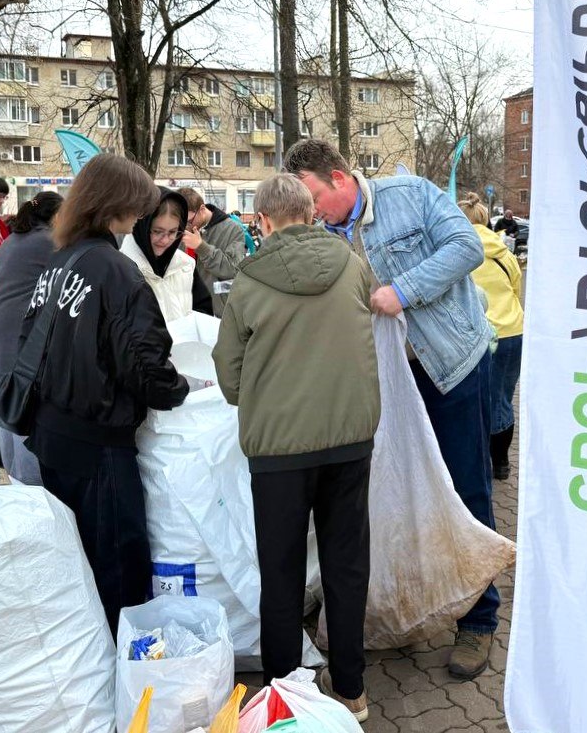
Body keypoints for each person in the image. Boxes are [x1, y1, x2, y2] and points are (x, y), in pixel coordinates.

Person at [283, 139, 498, 680]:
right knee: (395, 495)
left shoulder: (410, 196)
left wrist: (402, 289)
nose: (312, 212)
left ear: (340, 177)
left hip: (448, 366)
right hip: (379, 384)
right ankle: (410, 602)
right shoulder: (317, 235)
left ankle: (478, 621)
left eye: (313, 197)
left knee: (464, 489)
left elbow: (465, 247)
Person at [212, 174, 379, 722]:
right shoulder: (352, 263)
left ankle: (284, 700)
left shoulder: (249, 280)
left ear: (261, 220)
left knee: (280, 570)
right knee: (346, 563)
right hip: (350, 438)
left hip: (279, 449)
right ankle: (351, 688)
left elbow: (230, 374)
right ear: (311, 214)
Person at [22, 155, 189, 632]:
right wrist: (180, 389)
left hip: (52, 433)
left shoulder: (60, 262)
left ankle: (92, 656)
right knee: (119, 562)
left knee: (79, 559)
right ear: (115, 204)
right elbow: (145, 363)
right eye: (136, 207)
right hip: (98, 442)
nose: (140, 216)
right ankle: (127, 671)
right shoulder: (115, 270)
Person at [0, 191, 64, 485]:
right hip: (14, 338)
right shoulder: (46, 241)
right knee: (25, 423)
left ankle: (15, 488)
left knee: (6, 423)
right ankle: (33, 495)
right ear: (55, 218)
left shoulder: (14, 239)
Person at [459, 192, 524, 482]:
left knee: (480, 401)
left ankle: (483, 461)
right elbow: (516, 289)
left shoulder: (458, 252)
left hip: (478, 335)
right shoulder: (504, 252)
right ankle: (502, 463)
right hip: (512, 331)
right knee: (503, 398)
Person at [120, 187, 195, 325]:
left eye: (173, 232)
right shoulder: (120, 271)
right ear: (142, 226)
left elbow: (185, 313)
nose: (165, 240)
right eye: (157, 231)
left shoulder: (185, 265)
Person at [177, 187, 246, 315]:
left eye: (188, 221)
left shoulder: (233, 229)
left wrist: (201, 247)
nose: (186, 227)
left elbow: (233, 269)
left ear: (202, 209)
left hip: (217, 311)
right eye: (181, 223)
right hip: (184, 308)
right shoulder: (180, 230)